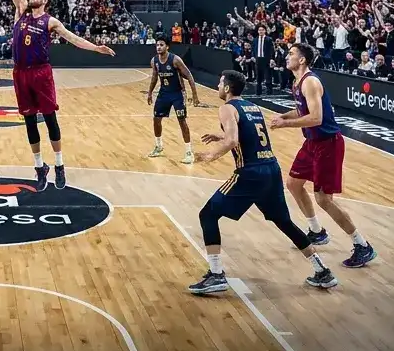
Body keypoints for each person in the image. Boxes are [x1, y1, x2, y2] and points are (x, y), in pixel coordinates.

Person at [189, 69, 338, 294]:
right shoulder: (253, 107)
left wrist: (210, 155)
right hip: (271, 169)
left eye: (220, 83)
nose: (218, 86)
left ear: (227, 88)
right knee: (284, 221)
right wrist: (221, 136)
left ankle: (216, 274)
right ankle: (322, 270)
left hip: (250, 173)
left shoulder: (227, 108)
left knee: (207, 215)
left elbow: (233, 141)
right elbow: (250, 136)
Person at [0, 0, 114, 189]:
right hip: (20, 73)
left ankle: (59, 165)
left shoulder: (50, 21)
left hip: (41, 73)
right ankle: (40, 167)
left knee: (50, 119)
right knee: (30, 122)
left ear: (45, 1)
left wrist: (96, 48)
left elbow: (73, 38)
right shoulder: (21, 10)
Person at [270, 43, 377, 269]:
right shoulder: (297, 82)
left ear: (302, 60)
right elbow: (303, 111)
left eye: (291, 53)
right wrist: (284, 116)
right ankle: (317, 231)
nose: (287, 56)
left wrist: (285, 124)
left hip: (328, 144)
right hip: (312, 143)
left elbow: (316, 118)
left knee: (324, 199)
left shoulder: (310, 81)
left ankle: (362, 245)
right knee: (293, 184)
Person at [145, 36, 200, 164]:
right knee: (156, 119)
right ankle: (159, 146)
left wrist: (195, 95)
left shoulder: (175, 60)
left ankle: (189, 152)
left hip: (177, 94)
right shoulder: (154, 61)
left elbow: (189, 75)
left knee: (182, 121)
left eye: (161, 45)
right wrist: (150, 93)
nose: (159, 47)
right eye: (157, 45)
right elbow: (154, 77)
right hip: (164, 93)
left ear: (167, 47)